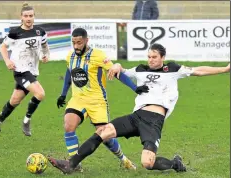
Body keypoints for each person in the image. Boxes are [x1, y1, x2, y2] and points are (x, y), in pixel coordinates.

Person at [48, 43, 230, 174]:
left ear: (162, 58)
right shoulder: (141, 69)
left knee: (147, 163)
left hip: (153, 121)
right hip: (136, 117)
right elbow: (122, 72)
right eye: (149, 56)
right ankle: (70, 164)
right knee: (103, 132)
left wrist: (224, 69)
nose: (150, 60)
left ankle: (175, 164)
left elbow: (199, 70)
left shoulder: (173, 69)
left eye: (154, 57)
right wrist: (117, 65)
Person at [54, 27, 149, 171]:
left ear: (86, 40)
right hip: (78, 99)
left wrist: (135, 88)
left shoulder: (98, 55)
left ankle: (124, 159)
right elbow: (69, 73)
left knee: (105, 136)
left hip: (97, 102)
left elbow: (117, 72)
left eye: (79, 43)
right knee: (68, 126)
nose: (76, 46)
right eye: (73, 43)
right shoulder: (70, 56)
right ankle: (75, 164)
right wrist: (63, 94)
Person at [0, 3, 50, 141]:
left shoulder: (40, 32)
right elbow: (3, 47)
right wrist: (7, 61)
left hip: (32, 70)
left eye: (31, 15)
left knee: (14, 101)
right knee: (40, 93)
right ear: (21, 17)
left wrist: (46, 56)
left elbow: (45, 47)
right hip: (21, 71)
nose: (28, 18)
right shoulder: (15, 33)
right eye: (26, 16)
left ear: (34, 17)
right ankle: (26, 121)